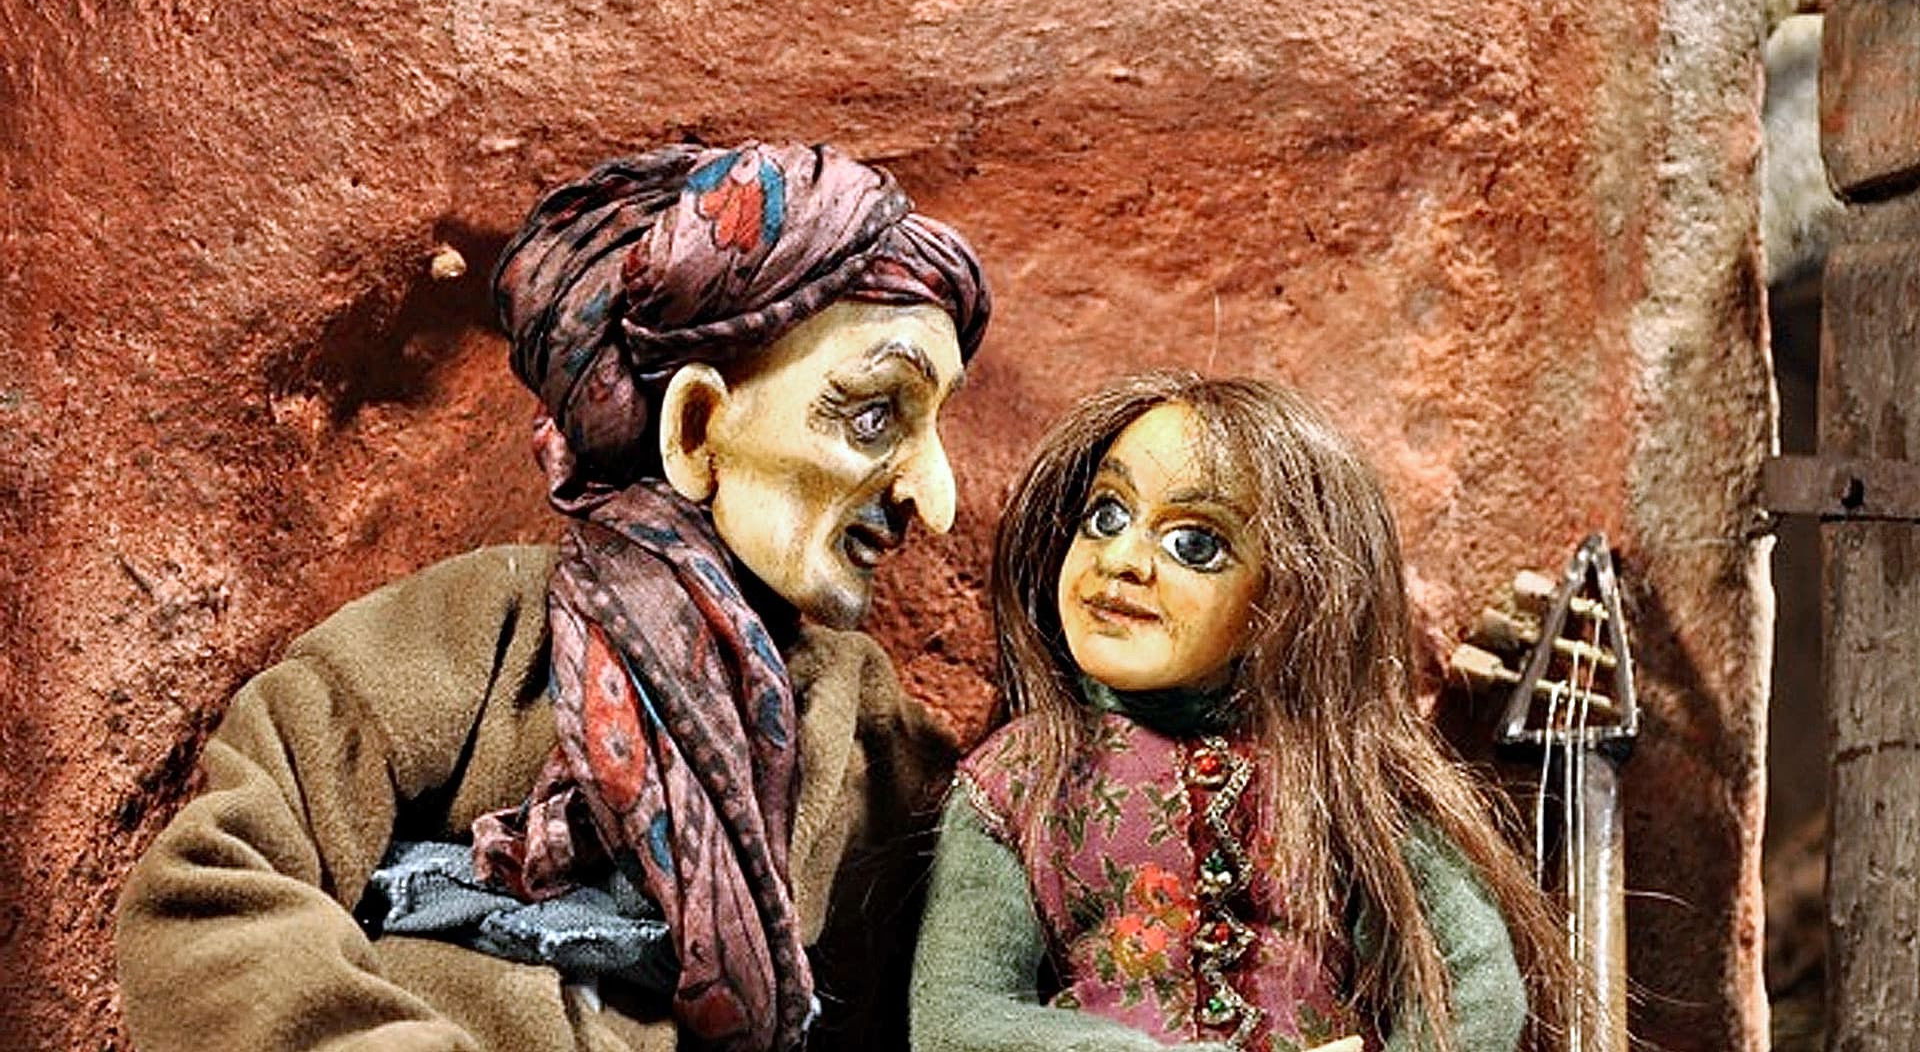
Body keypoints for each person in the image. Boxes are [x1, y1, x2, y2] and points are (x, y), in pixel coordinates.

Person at [116, 141, 991, 1052]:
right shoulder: (485, 631)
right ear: (696, 427)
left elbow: (996, 932)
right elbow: (214, 892)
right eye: (873, 416)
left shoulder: (866, 738)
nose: (934, 499)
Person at [910, 373, 1574, 1052]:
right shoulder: (1020, 778)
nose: (1121, 559)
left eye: (1195, 545)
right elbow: (958, 1016)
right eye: (1105, 515)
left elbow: (1473, 981)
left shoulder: (1345, 777)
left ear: (1291, 598)